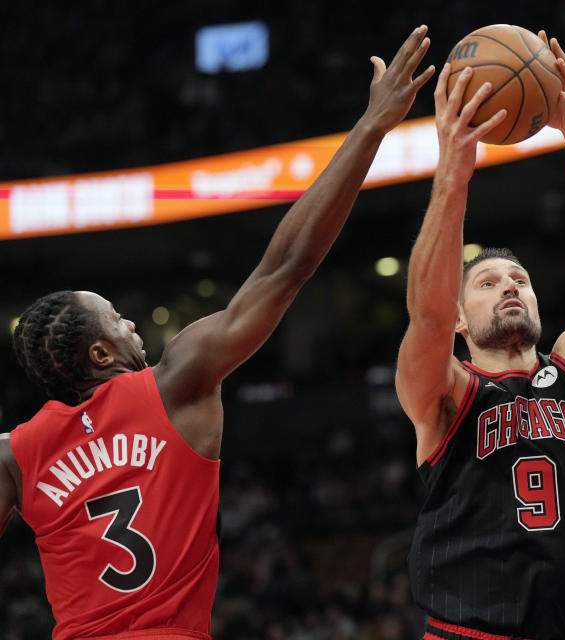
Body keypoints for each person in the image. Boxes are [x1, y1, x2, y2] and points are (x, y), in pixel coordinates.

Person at [0, 26, 434, 640]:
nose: (130, 323)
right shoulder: (177, 383)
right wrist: (370, 128)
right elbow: (287, 266)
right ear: (100, 352)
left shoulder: (14, 454)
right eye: (116, 317)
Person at [396, 33, 565, 640]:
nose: (509, 286)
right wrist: (453, 172)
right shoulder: (448, 392)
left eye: (520, 279)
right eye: (486, 283)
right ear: (460, 319)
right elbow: (425, 315)